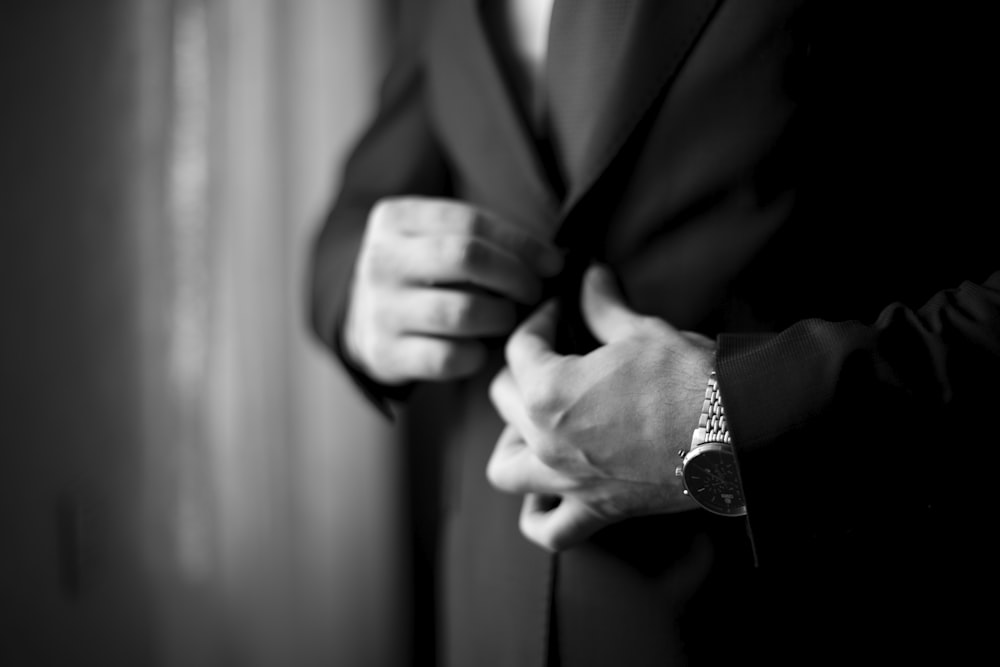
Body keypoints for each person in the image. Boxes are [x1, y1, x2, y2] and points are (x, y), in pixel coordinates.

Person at [308, 1, 999, 665]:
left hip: (810, 608)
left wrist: (732, 427)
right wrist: (359, 299)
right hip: (492, 618)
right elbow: (359, 213)